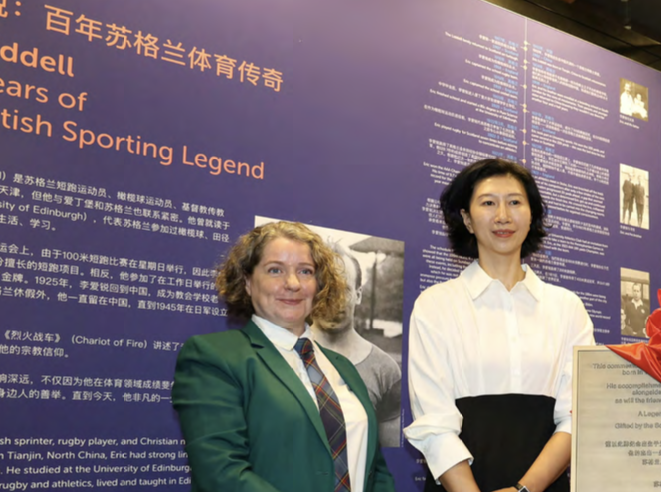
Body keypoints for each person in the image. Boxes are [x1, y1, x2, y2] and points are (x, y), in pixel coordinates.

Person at [406, 158, 595, 492]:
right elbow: (434, 424)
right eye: (488, 203)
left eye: (515, 202)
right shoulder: (435, 305)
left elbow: (576, 417)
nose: (503, 216)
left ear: (531, 214)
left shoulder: (567, 308)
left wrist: (525, 490)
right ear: (466, 218)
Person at [172, 221, 394, 491]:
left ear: (319, 285)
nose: (292, 283)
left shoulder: (343, 367)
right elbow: (222, 473)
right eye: (275, 270)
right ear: (248, 282)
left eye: (305, 271)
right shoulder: (214, 357)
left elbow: (375, 470)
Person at [312, 240, 403, 447]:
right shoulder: (283, 355)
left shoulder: (385, 370)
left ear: (358, 295)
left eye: (343, 289)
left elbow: (388, 460)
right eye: (325, 287)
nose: (333, 299)